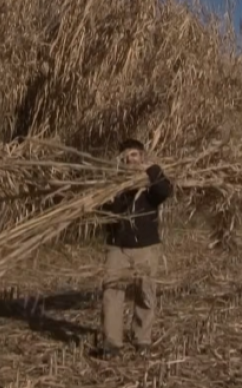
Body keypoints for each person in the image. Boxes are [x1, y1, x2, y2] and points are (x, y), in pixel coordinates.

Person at [97, 138, 173, 359]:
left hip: (146, 247)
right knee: (112, 292)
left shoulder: (151, 185)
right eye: (126, 156)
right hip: (117, 247)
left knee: (145, 293)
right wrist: (112, 193)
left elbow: (164, 192)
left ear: (142, 157)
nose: (130, 160)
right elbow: (104, 212)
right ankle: (112, 342)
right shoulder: (112, 186)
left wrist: (152, 169)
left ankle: (142, 338)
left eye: (134, 155)